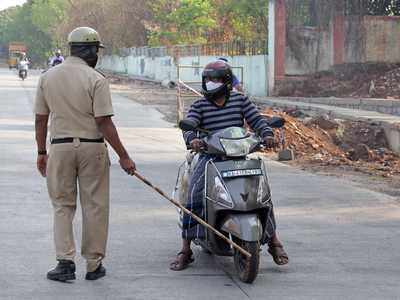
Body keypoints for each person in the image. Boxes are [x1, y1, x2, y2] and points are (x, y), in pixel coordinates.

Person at [34, 27, 136, 282]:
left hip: (60, 148)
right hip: (92, 148)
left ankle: (65, 263)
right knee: (95, 207)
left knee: (62, 206)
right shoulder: (96, 79)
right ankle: (93, 265)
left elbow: (40, 120)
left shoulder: (48, 77)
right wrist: (123, 155)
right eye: (96, 51)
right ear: (91, 51)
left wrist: (41, 152)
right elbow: (103, 121)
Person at [170, 60, 289, 271]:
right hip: (211, 158)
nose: (210, 83)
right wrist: (193, 140)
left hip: (241, 156)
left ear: (225, 82)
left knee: (262, 195)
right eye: (206, 79)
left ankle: (273, 241)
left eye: (214, 79)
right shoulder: (199, 105)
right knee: (194, 196)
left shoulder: (240, 101)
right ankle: (185, 249)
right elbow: (189, 126)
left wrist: (267, 134)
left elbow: (257, 121)